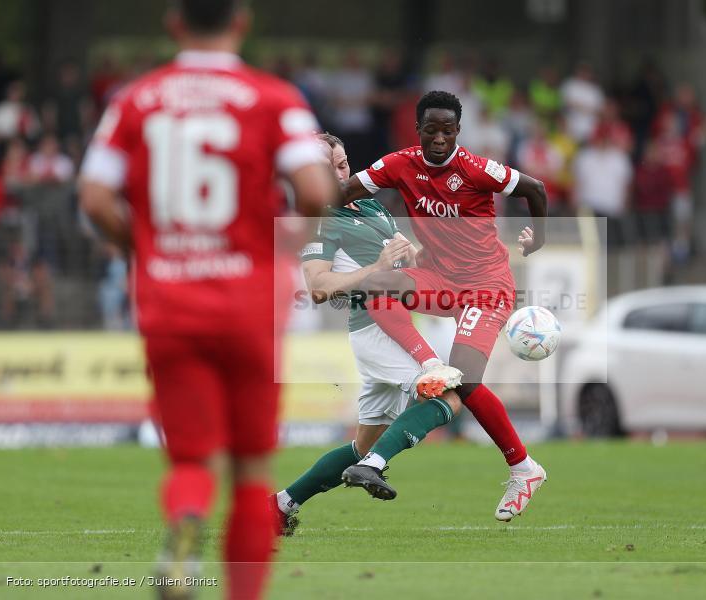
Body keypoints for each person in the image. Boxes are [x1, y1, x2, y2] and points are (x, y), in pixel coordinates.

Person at [77, 1, 338, 599]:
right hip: (249, 305)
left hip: (169, 301)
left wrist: (141, 248)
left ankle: (185, 522)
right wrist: (291, 237)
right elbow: (316, 189)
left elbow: (93, 197)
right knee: (251, 474)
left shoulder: (136, 100)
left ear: (174, 24)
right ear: (241, 21)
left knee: (192, 463)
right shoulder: (274, 98)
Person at [337, 90, 549, 521]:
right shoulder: (400, 163)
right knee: (376, 284)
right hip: (440, 279)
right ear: (418, 130)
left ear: (458, 132)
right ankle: (428, 363)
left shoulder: (474, 168)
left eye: (447, 131)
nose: (439, 139)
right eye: (430, 130)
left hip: (487, 286)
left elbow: (535, 188)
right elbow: (346, 190)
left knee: (466, 384)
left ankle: (524, 469)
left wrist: (539, 236)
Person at [270, 133, 431, 534]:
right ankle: (373, 467)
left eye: (342, 164)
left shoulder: (371, 203)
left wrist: (428, 253)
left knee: (362, 445)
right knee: (446, 392)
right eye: (328, 168)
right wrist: (377, 265)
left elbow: (405, 260)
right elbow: (319, 287)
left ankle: (279, 505)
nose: (340, 173)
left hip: (398, 323)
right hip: (374, 328)